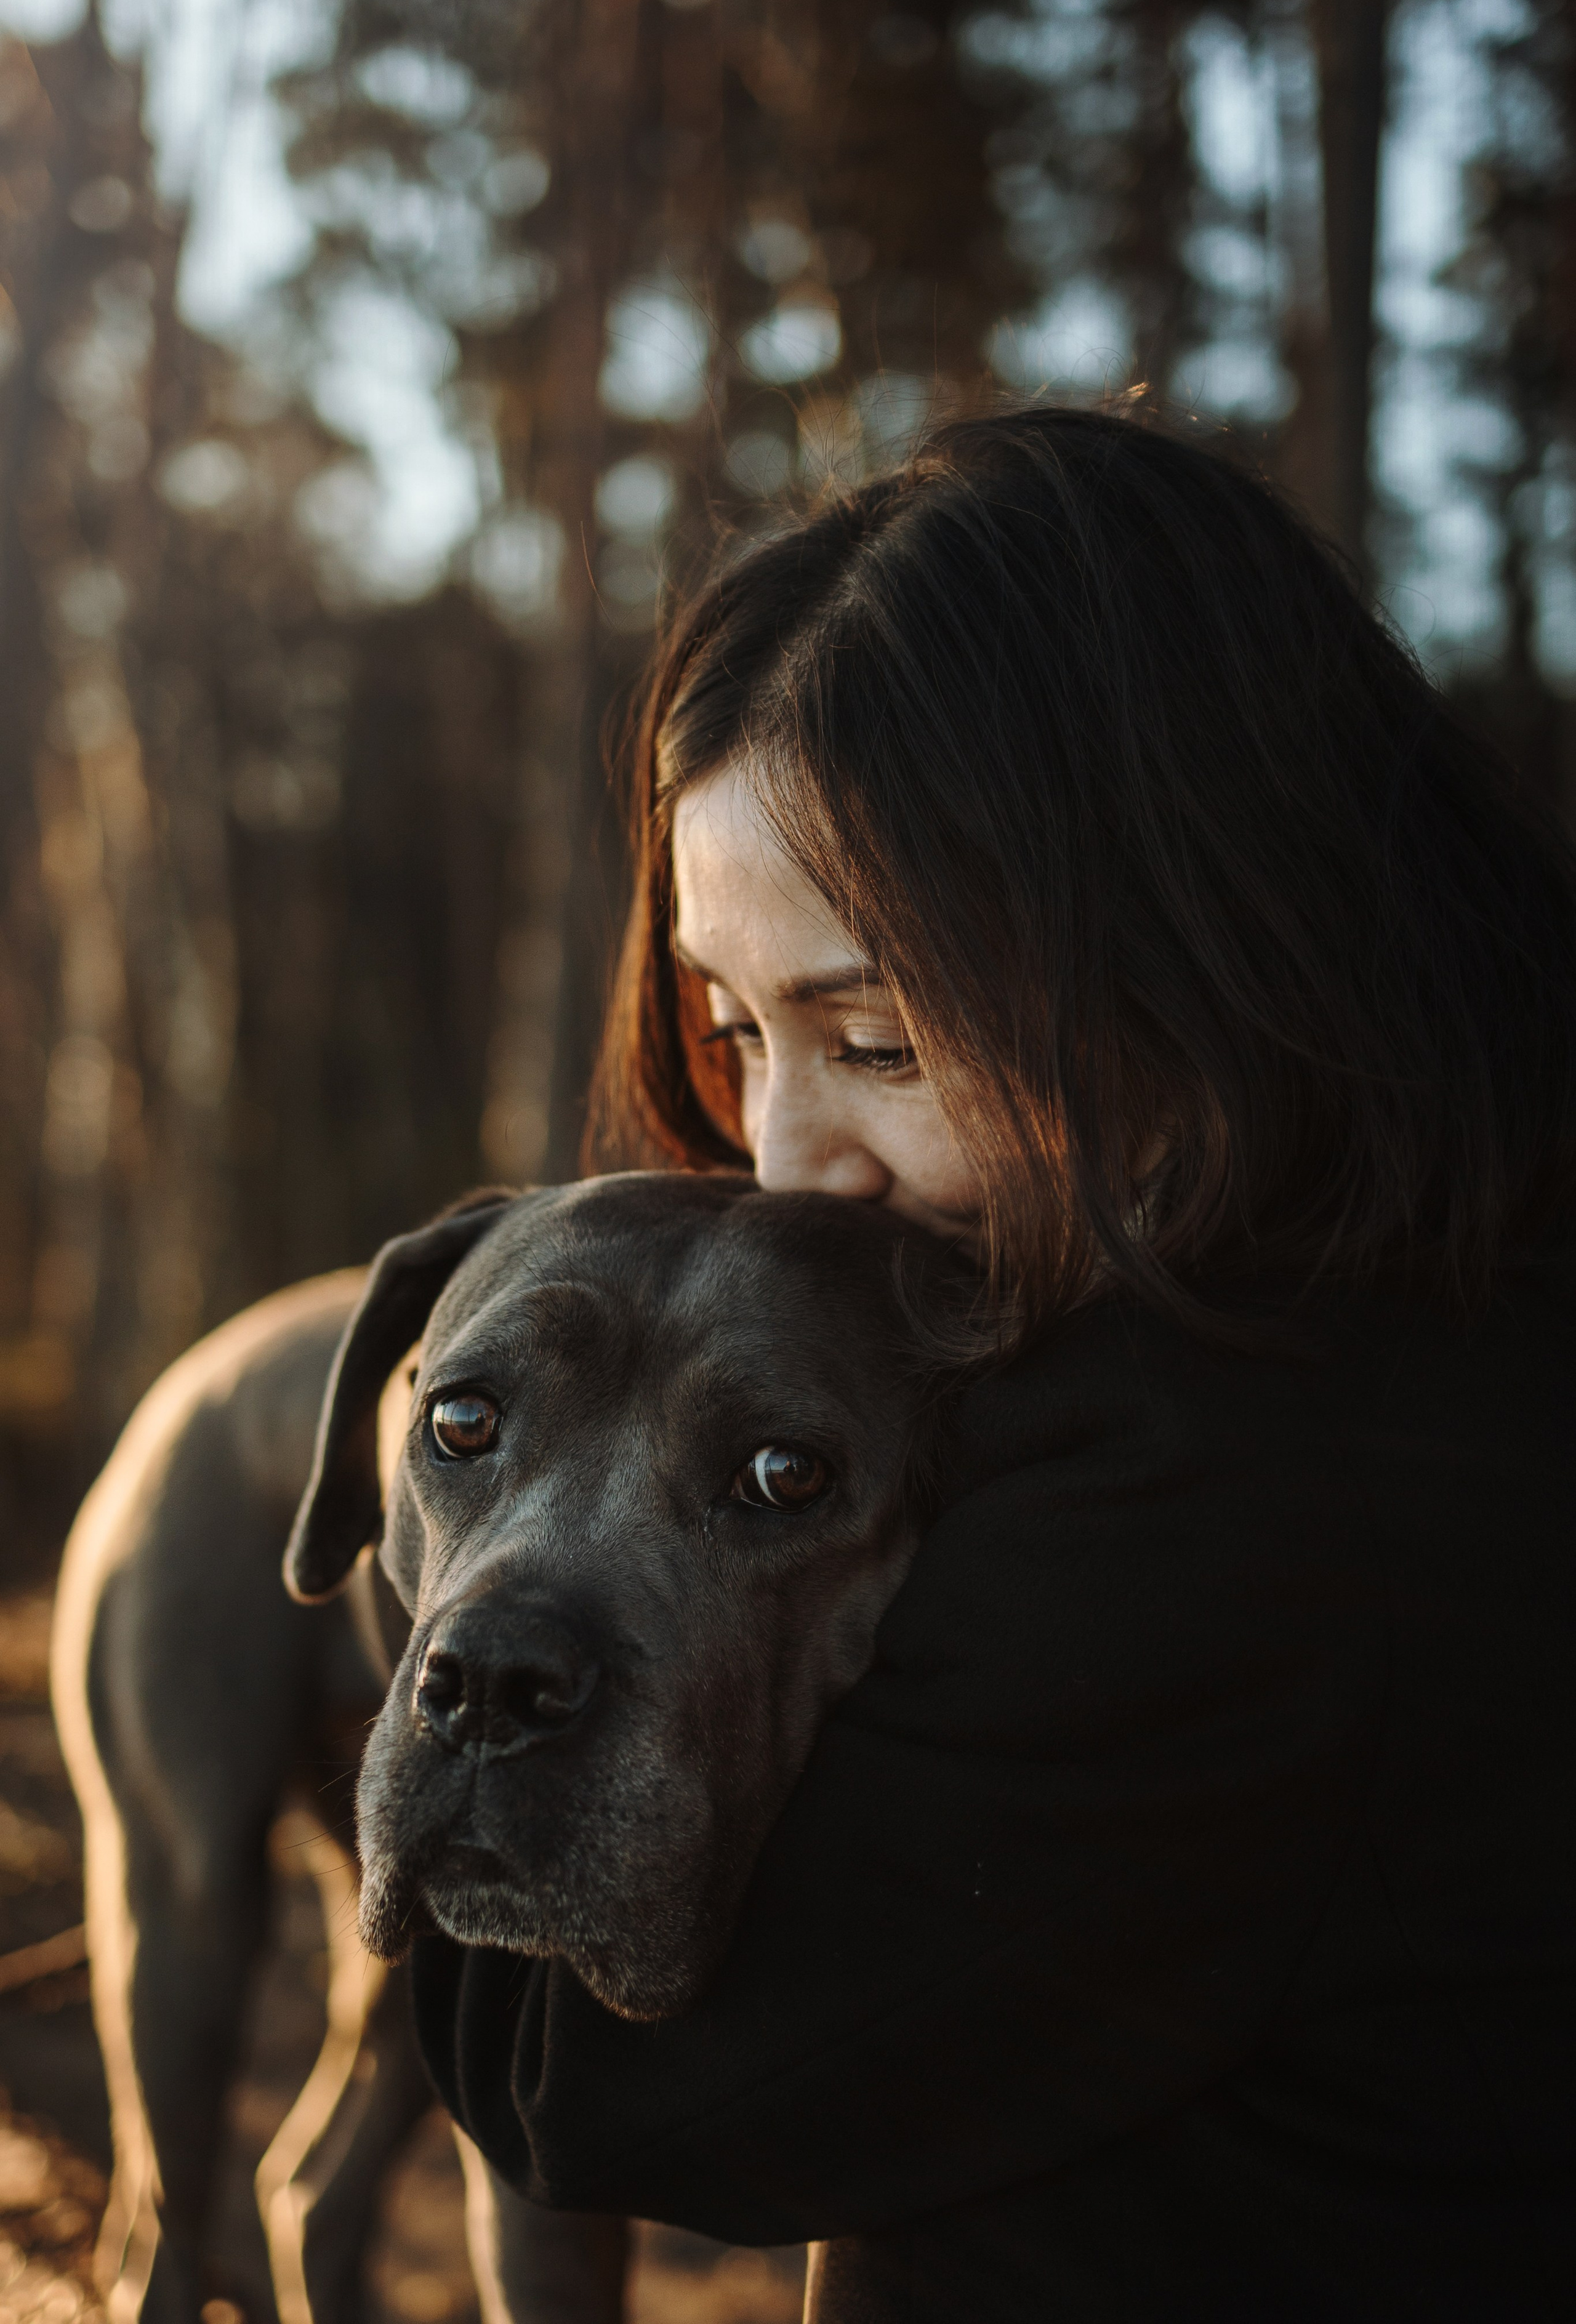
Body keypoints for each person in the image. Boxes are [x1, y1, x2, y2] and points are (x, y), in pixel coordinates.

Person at [412, 404, 1576, 2320]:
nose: (788, 1162)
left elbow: (588, 2089)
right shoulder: (1441, 1320)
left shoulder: (1230, 1507)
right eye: (732, 1028)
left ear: (1212, 949)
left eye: (875, 1041)